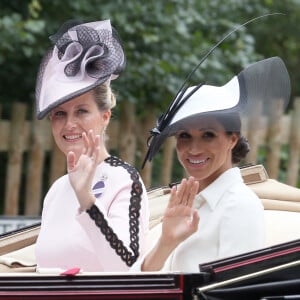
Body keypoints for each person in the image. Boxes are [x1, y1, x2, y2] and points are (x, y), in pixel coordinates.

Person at [132, 56, 291, 272]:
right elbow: (141, 287)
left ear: (232, 139)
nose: (194, 149)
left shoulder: (239, 206)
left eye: (208, 135)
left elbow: (235, 292)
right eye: (184, 136)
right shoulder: (184, 206)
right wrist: (166, 242)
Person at [34, 19, 149, 272]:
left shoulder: (125, 180)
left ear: (105, 117)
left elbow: (126, 267)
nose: (69, 124)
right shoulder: (56, 190)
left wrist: (87, 200)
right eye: (59, 114)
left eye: (82, 111)